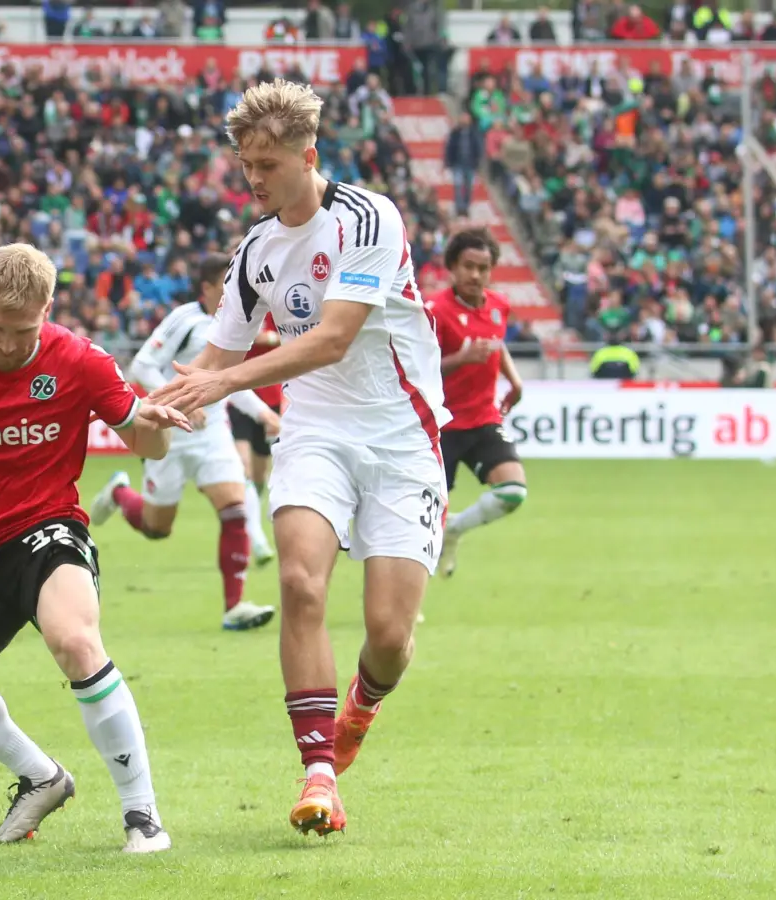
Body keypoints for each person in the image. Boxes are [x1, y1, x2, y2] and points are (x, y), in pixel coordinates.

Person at [151, 80, 450, 837]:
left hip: (401, 435)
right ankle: (319, 772)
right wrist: (146, 406)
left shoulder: (367, 217)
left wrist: (224, 378)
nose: (254, 179)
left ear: (308, 156)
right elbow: (212, 360)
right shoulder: (254, 251)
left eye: (269, 163)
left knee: (388, 635)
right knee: (297, 580)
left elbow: (335, 337)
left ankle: (361, 709)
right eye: (247, 164)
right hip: (313, 429)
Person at [0, 243, 191, 853]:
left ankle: (143, 815)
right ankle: (41, 776)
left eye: (24, 330)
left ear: (48, 310)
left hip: (50, 529)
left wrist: (156, 428)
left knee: (76, 639)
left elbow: (144, 442)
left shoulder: (79, 359)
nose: (8, 345)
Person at [90, 256, 281, 632]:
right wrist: (179, 402)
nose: (234, 293)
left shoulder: (234, 327)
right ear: (208, 288)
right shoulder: (185, 319)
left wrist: (263, 414)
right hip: (170, 434)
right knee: (157, 527)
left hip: (213, 434)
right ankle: (120, 493)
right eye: (226, 285)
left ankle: (234, 606)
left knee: (235, 509)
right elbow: (143, 365)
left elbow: (228, 381)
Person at [427, 228, 528, 580]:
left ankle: (455, 530)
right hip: (441, 425)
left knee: (513, 492)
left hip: (483, 418)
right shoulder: (434, 311)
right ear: (452, 267)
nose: (475, 275)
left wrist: (514, 380)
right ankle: (405, 610)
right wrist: (460, 358)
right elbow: (416, 368)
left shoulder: (499, 305)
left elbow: (497, 344)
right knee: (423, 522)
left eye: (483, 268)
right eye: (468, 266)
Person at [227, 310, 281, 566]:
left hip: (271, 401)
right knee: (243, 468)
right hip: (242, 398)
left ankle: (252, 512)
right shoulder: (245, 308)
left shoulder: (279, 309)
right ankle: (257, 539)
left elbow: (291, 340)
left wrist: (268, 338)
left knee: (260, 474)